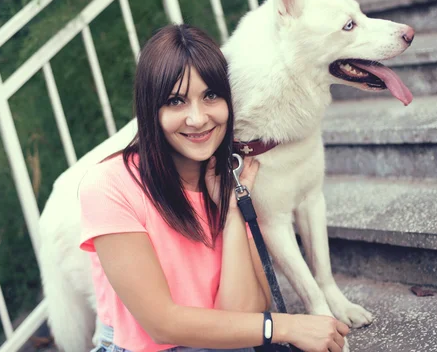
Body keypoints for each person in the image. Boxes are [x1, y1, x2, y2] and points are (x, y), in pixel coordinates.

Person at [78, 24, 349, 352]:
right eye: (176, 101)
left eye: (210, 96)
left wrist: (232, 212)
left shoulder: (229, 176)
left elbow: (246, 311)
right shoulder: (111, 185)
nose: (197, 118)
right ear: (151, 110)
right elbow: (162, 324)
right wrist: (288, 325)